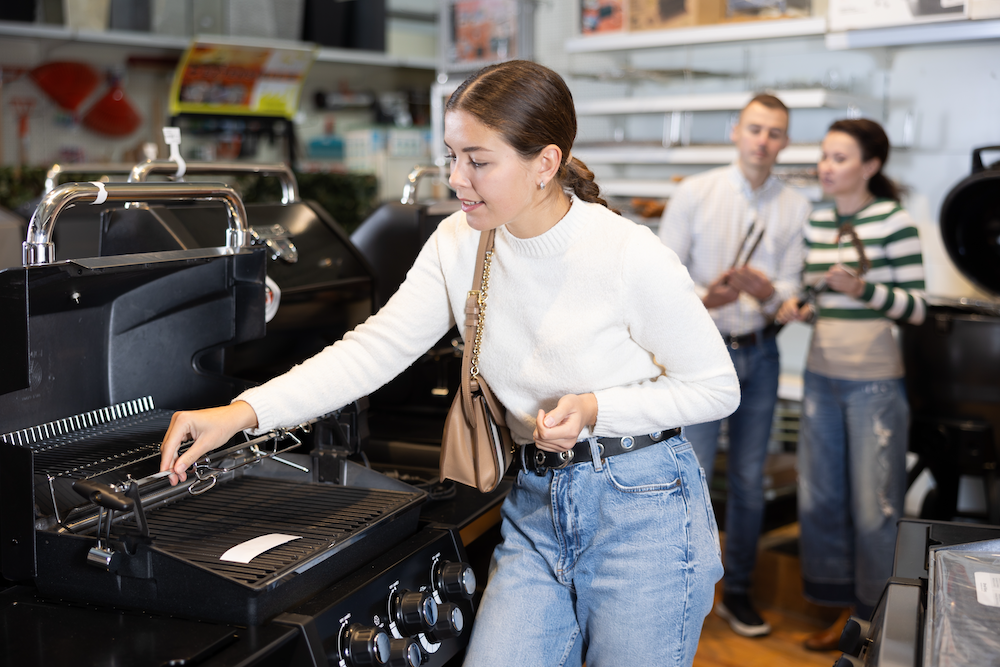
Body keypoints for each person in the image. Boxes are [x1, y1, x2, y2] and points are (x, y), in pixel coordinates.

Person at [159, 60, 740, 667]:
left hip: (642, 508)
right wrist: (243, 412)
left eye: (479, 161)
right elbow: (375, 348)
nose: (458, 179)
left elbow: (715, 387)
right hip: (536, 504)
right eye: (452, 156)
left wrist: (599, 408)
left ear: (545, 163)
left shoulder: (627, 254)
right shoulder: (461, 241)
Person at [658, 93, 811, 637]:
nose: (763, 141)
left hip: (761, 351)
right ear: (735, 131)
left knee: (748, 480)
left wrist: (771, 292)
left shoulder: (796, 204)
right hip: (700, 352)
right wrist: (708, 295)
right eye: (755, 129)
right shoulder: (696, 193)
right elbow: (664, 279)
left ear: (785, 141)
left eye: (774, 132)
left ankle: (738, 593)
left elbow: (793, 283)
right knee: (690, 476)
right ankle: (683, 591)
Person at [776, 118, 925, 650]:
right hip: (822, 378)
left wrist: (864, 289)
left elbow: (916, 308)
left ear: (871, 166)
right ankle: (849, 620)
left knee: (875, 509)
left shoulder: (893, 221)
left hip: (874, 386)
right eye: (824, 157)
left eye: (840, 158)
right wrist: (803, 306)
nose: (827, 167)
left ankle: (878, 626)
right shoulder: (816, 222)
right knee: (821, 499)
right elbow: (822, 301)